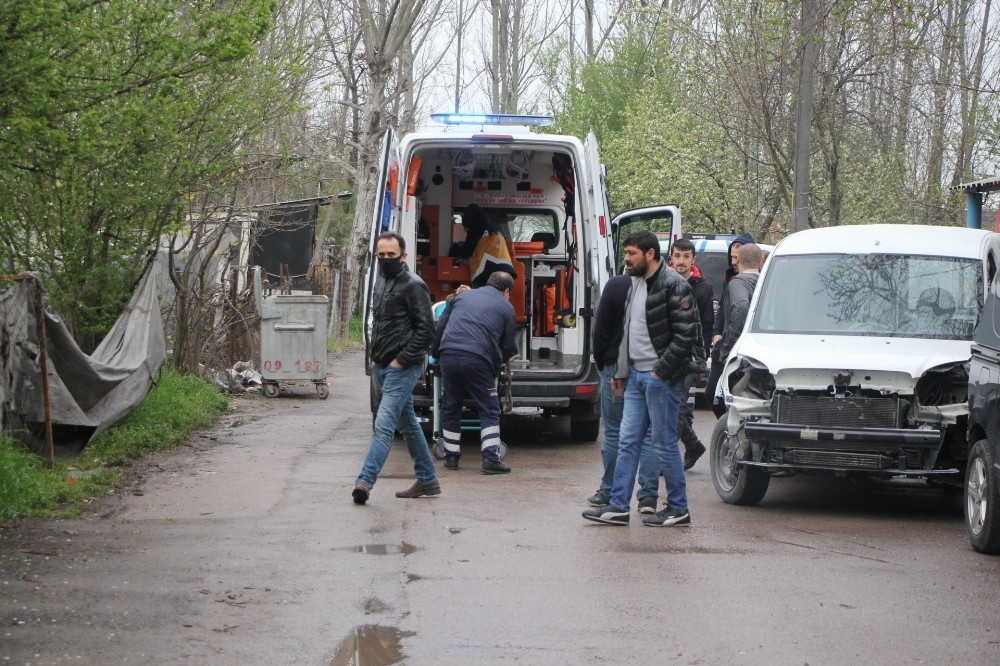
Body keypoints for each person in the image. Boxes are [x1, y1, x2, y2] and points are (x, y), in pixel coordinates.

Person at [582, 230, 705, 527]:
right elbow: (627, 332)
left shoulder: (674, 285)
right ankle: (618, 507)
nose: (626, 259)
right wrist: (622, 373)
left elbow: (686, 336)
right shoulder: (634, 284)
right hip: (635, 376)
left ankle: (678, 508)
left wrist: (660, 372)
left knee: (663, 443)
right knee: (627, 441)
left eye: (631, 253)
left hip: (661, 378)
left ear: (650, 254)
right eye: (626, 253)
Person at [353, 231, 440, 504]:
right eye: (381, 255)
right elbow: (380, 323)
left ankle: (364, 481)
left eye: (391, 255)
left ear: (403, 256)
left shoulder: (414, 285)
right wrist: (376, 357)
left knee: (384, 425)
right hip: (382, 365)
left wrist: (400, 359)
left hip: (403, 368)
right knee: (410, 425)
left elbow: (426, 331)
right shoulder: (380, 280)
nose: (386, 259)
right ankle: (428, 479)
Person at [431, 271, 518, 474]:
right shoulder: (506, 307)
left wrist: (435, 354)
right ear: (506, 291)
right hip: (478, 359)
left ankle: (451, 457)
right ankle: (490, 459)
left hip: (449, 355)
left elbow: (441, 326)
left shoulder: (462, 297)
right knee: (489, 409)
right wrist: (497, 365)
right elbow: (507, 346)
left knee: (451, 405)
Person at [588, 274, 659, 514]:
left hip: (615, 371)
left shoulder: (617, 285)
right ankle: (648, 497)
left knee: (615, 432)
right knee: (649, 434)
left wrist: (601, 362)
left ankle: (608, 491)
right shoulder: (663, 286)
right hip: (649, 369)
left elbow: (601, 329)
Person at [669, 239, 712, 470]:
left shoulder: (703, 288)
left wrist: (701, 359)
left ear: (693, 259)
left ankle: (667, 460)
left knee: (678, 408)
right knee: (669, 405)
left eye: (686, 256)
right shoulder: (663, 282)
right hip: (666, 355)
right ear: (671, 258)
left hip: (690, 357)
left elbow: (706, 325)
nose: (681, 261)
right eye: (678, 255)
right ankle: (693, 445)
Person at [707, 232, 756, 417]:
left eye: (738, 257)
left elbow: (741, 309)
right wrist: (717, 331)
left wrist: (728, 344)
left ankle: (731, 428)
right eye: (732, 257)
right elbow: (721, 308)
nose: (734, 261)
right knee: (713, 392)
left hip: (736, 345)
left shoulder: (744, 281)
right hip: (725, 342)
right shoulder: (730, 279)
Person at [716, 243, 763, 363]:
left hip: (739, 354)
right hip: (759, 350)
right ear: (761, 260)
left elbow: (741, 307)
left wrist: (729, 348)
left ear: (737, 259)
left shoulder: (737, 283)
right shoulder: (767, 282)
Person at [458, 204, 516, 287]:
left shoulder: (476, 229)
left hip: (488, 273)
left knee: (484, 299)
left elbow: (466, 252)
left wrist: (457, 249)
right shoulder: (494, 228)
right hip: (508, 273)